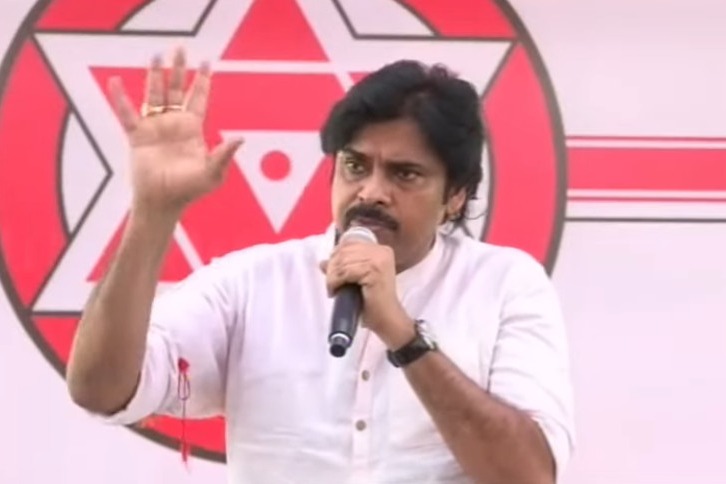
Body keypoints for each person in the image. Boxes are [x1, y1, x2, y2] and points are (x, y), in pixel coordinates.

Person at [66, 47, 575, 484]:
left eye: (405, 174)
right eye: (355, 165)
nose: (371, 192)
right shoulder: (253, 284)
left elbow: (529, 474)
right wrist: (153, 213)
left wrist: (403, 336)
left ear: (456, 196)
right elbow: (98, 389)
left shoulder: (505, 285)